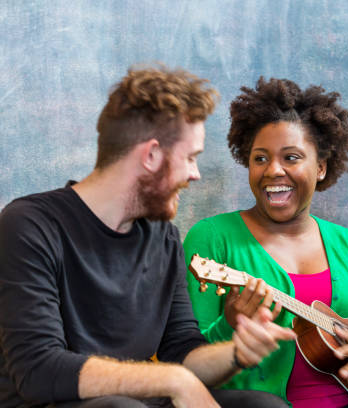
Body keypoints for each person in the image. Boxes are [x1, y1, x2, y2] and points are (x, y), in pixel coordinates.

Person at [0, 66, 297, 408]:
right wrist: (174, 380)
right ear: (152, 155)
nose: (195, 174)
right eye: (190, 158)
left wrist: (237, 353)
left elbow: (183, 352)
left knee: (263, 405)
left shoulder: (163, 238)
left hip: (136, 404)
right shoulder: (29, 225)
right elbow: (38, 371)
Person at [182, 77, 348, 408]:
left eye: (291, 157)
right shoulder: (212, 237)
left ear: (321, 168)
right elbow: (188, 362)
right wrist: (229, 326)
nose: (273, 170)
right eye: (260, 158)